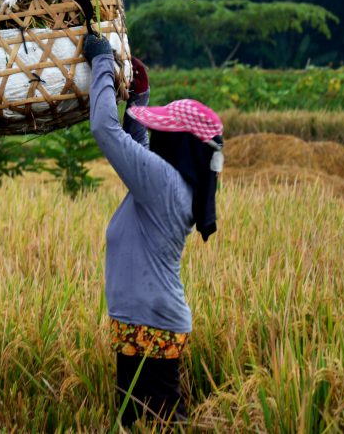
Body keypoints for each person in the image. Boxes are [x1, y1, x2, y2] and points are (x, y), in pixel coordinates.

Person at [83, 35, 224, 428]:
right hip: (144, 320)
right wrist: (139, 100)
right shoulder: (172, 182)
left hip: (151, 323)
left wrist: (101, 67)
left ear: (177, 145)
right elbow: (135, 150)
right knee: (138, 423)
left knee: (160, 424)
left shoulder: (163, 181)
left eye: (164, 133)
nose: (157, 138)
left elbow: (106, 131)